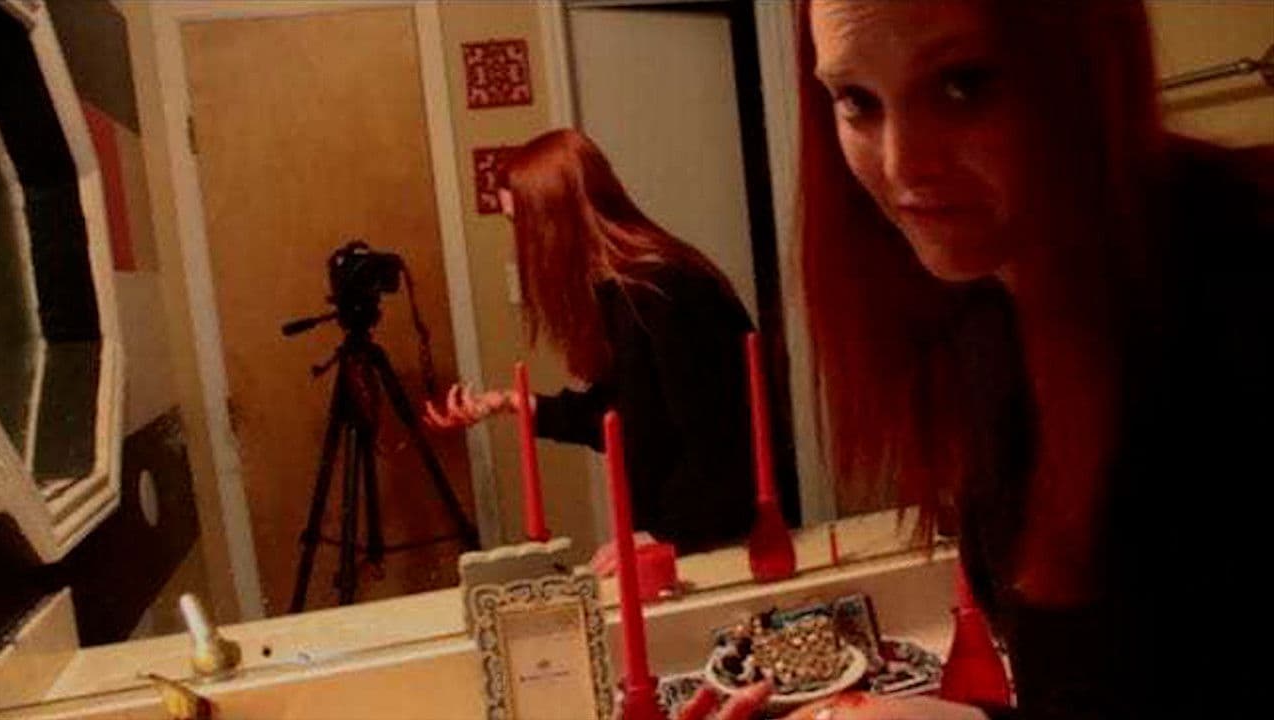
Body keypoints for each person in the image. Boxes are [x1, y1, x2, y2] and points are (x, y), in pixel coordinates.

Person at [791, 1, 1271, 719]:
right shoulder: (981, 314)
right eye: (857, 100)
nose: (900, 165)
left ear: (1087, 64)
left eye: (964, 84)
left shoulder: (1245, 284)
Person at [425, 128, 759, 563]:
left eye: (519, 223)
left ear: (556, 218)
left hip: (720, 542)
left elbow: (718, 442)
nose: (519, 242)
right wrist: (510, 403)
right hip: (685, 538)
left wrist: (664, 535)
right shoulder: (620, 291)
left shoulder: (664, 291)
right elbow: (625, 416)